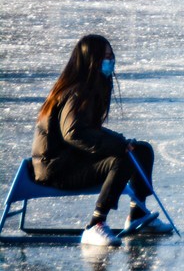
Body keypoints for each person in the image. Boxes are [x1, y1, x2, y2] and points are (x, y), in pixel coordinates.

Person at [32, 34, 174, 247]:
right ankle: (95, 225)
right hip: (57, 169)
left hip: (72, 159)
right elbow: (73, 133)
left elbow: (90, 130)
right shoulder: (75, 92)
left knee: (141, 150)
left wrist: (120, 141)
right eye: (105, 57)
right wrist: (116, 146)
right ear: (90, 60)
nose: (111, 61)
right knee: (121, 159)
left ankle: (137, 215)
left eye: (111, 56)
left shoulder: (87, 88)